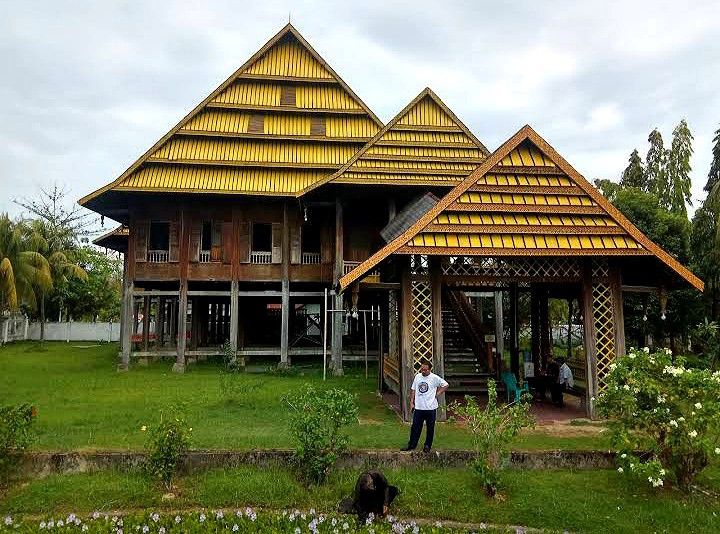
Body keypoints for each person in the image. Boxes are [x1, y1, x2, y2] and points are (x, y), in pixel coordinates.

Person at [401, 359, 449, 452]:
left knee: (430, 428)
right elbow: (413, 389)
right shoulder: (418, 377)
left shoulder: (434, 378)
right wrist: (411, 402)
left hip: (430, 408)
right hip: (419, 407)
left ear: (430, 369)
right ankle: (412, 445)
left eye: (425, 370)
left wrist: (438, 393)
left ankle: (427, 445)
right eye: (422, 369)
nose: (423, 371)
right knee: (415, 427)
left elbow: (446, 385)